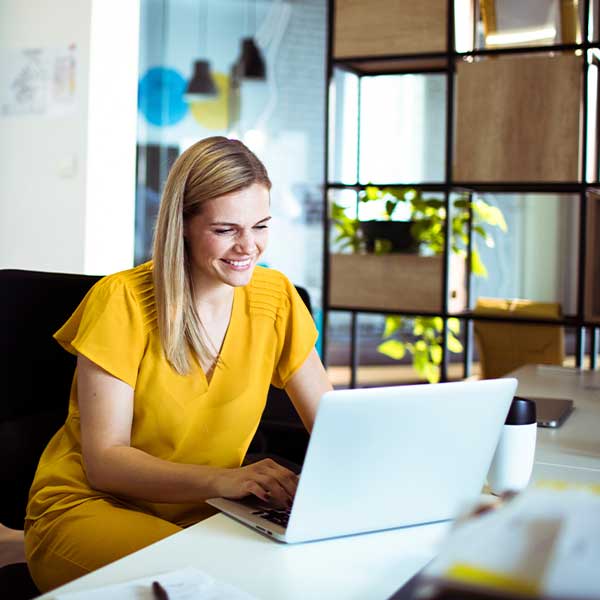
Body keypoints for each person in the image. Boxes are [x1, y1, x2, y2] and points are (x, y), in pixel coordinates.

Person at [24, 136, 333, 592]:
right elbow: (106, 463)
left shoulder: (277, 299)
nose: (249, 246)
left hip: (208, 512)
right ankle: (28, 543)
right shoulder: (122, 301)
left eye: (261, 225)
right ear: (183, 225)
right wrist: (228, 480)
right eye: (227, 229)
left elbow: (333, 424)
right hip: (94, 506)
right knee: (211, 585)